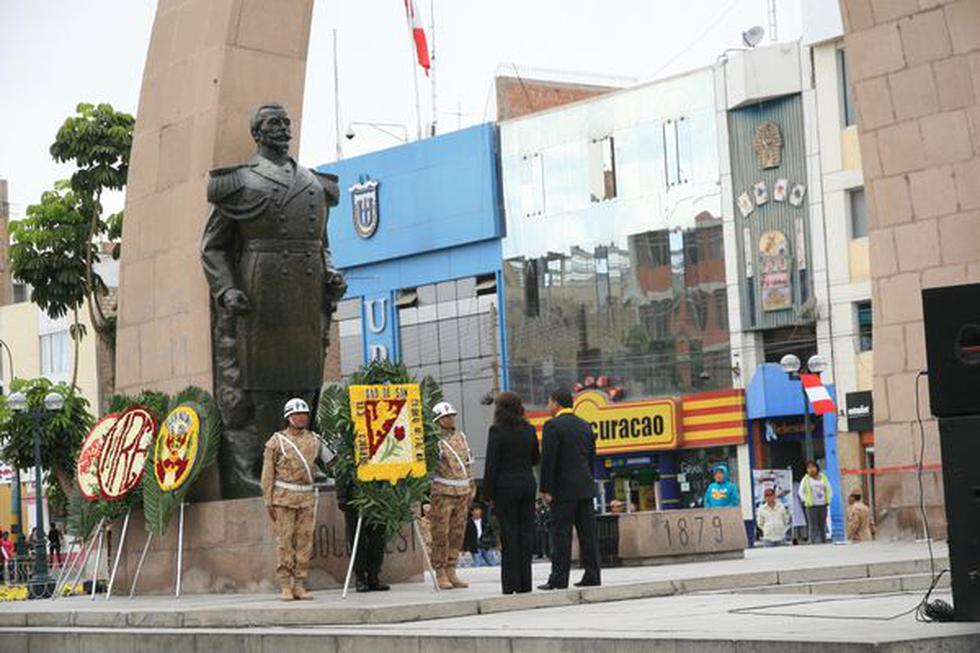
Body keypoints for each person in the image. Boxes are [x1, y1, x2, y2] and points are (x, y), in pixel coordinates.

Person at [261, 397, 334, 601]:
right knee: (285, 541)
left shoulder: (314, 440)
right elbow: (267, 474)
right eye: (297, 414)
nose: (301, 418)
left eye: (304, 414)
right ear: (288, 417)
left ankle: (299, 583)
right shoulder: (276, 442)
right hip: (283, 497)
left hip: (306, 497)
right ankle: (285, 584)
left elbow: (333, 462)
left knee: (304, 541)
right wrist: (268, 499)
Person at [538, 387, 601, 590]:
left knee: (561, 534)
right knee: (588, 534)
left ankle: (558, 578)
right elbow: (591, 459)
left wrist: (546, 488)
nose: (548, 406)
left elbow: (549, 461)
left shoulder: (553, 426)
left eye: (549, 402)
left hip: (563, 491)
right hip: (585, 488)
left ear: (556, 403)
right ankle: (592, 574)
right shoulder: (585, 426)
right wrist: (589, 481)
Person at [482, 391, 540, 593]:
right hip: (527, 484)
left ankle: (510, 584)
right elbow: (535, 458)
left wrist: (487, 495)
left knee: (509, 534)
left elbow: (492, 464)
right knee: (526, 533)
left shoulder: (497, 431)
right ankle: (525, 584)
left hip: (505, 487)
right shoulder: (529, 429)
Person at [429, 401, 476, 590]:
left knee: (457, 533)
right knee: (441, 533)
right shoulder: (434, 440)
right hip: (443, 492)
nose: (451, 419)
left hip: (463, 491)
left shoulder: (461, 437)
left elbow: (468, 462)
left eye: (452, 416)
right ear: (438, 420)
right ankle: (440, 571)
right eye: (447, 416)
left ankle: (451, 570)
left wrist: (472, 485)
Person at [798, 460, 832, 544]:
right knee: (813, 526)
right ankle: (814, 542)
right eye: (809, 468)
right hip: (811, 506)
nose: (811, 469)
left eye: (813, 467)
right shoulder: (805, 479)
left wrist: (828, 499)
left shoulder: (823, 477)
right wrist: (806, 500)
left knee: (822, 525)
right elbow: (800, 492)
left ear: (817, 468)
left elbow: (829, 489)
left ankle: (823, 542)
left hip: (823, 505)